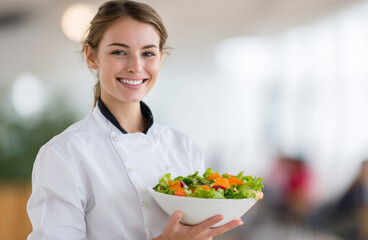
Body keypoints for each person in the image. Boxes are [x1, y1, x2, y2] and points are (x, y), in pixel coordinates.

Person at [26, 0, 243, 239]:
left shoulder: (184, 148)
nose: (136, 67)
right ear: (91, 56)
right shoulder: (64, 154)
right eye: (119, 52)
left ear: (161, 57)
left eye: (148, 53)